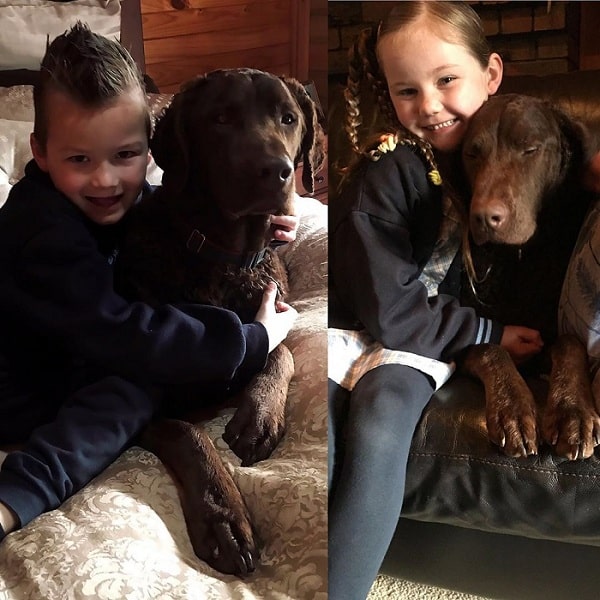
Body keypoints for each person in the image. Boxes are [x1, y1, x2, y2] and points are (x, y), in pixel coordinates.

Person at [0, 23, 298, 540]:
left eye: (125, 156)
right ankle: (12, 499)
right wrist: (253, 340)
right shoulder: (43, 233)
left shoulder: (120, 201)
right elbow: (124, 333)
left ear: (149, 151)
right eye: (79, 159)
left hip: (69, 343)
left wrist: (254, 217)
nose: (106, 180)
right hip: (17, 384)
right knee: (129, 390)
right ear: (40, 154)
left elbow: (158, 206)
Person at [327, 3, 545, 599]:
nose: (428, 104)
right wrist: (487, 335)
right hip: (358, 326)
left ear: (491, 74)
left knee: (381, 416)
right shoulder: (388, 167)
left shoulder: (498, 155)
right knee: (314, 424)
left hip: (413, 338)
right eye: (407, 89)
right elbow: (390, 313)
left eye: (446, 80)